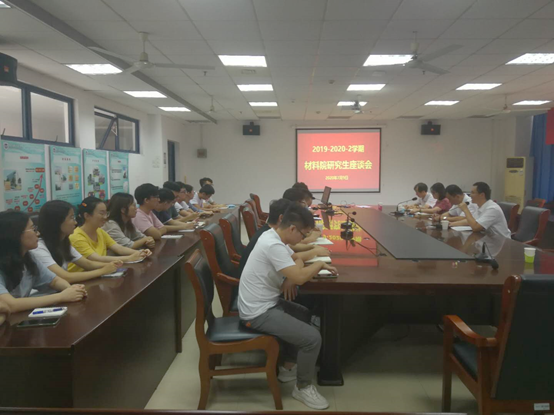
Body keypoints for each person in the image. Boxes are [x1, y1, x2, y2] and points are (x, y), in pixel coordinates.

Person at [238, 203, 337, 410]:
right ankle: (302, 387)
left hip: (264, 302)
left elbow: (296, 260)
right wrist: (318, 264)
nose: (303, 239)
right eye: (303, 234)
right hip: (257, 312)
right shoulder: (273, 244)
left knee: (303, 313)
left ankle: (288, 367)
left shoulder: (274, 237)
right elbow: (299, 276)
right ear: (292, 228)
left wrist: (293, 275)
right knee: (312, 338)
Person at [0, 211, 87, 313]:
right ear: (15, 234)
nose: (38, 233)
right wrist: (61, 296)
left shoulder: (29, 257)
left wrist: (72, 290)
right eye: (33, 229)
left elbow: (54, 281)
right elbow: (10, 304)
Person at [31, 200, 122, 283]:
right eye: (71, 218)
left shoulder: (64, 242)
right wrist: (102, 271)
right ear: (57, 221)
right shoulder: (39, 248)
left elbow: (87, 264)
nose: (75, 223)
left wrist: (110, 265)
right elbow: (66, 277)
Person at [238, 199, 329, 276]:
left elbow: (296, 257)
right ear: (282, 218)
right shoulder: (272, 242)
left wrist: (312, 247)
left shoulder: (274, 234)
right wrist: (318, 261)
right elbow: (298, 276)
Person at [69, 197, 151, 272]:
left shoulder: (100, 231)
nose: (105, 217)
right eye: (102, 213)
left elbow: (119, 248)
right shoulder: (76, 237)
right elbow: (96, 258)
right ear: (87, 216)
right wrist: (129, 258)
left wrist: (140, 253)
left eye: (106, 213)